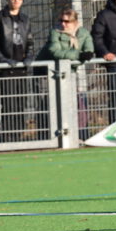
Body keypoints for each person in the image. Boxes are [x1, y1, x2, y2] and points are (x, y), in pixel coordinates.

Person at [38, 8, 95, 140]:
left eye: (67, 21)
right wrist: (78, 55)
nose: (63, 24)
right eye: (61, 20)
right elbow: (55, 52)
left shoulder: (83, 33)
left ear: (75, 22)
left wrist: (83, 55)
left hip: (70, 72)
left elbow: (89, 51)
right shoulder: (55, 32)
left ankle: (79, 135)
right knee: (49, 104)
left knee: (75, 103)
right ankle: (46, 137)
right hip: (47, 73)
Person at [0, 0, 34, 143]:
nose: (16, 0)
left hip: (21, 67)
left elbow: (30, 42)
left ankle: (18, 135)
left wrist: (29, 57)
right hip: (6, 68)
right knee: (8, 103)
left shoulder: (25, 19)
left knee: (21, 102)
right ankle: (8, 136)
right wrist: (3, 60)